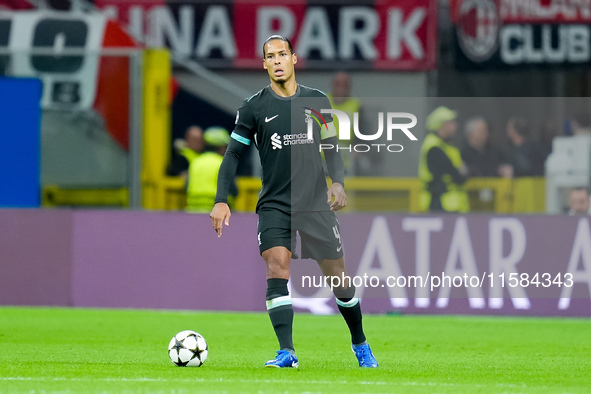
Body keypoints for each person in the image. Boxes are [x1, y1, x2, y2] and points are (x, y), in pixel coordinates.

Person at [209, 35, 378, 369]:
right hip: (275, 204)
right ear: (264, 64)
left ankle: (360, 342)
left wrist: (339, 182)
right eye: (269, 56)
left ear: (294, 59)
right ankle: (287, 351)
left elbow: (331, 148)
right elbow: (232, 155)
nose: (276, 60)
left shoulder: (318, 100)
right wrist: (220, 200)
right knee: (276, 266)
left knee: (339, 279)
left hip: (315, 203)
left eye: (281, 54)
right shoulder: (254, 107)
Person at [418, 106, 470, 213]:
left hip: (452, 205)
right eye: (451, 122)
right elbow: (457, 175)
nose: (455, 126)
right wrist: (461, 171)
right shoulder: (434, 148)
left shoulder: (447, 146)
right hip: (440, 205)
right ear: (441, 125)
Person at [186, 127, 236, 212]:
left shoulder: (195, 162)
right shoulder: (222, 163)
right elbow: (233, 190)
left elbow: (186, 186)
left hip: (193, 210)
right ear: (221, 147)